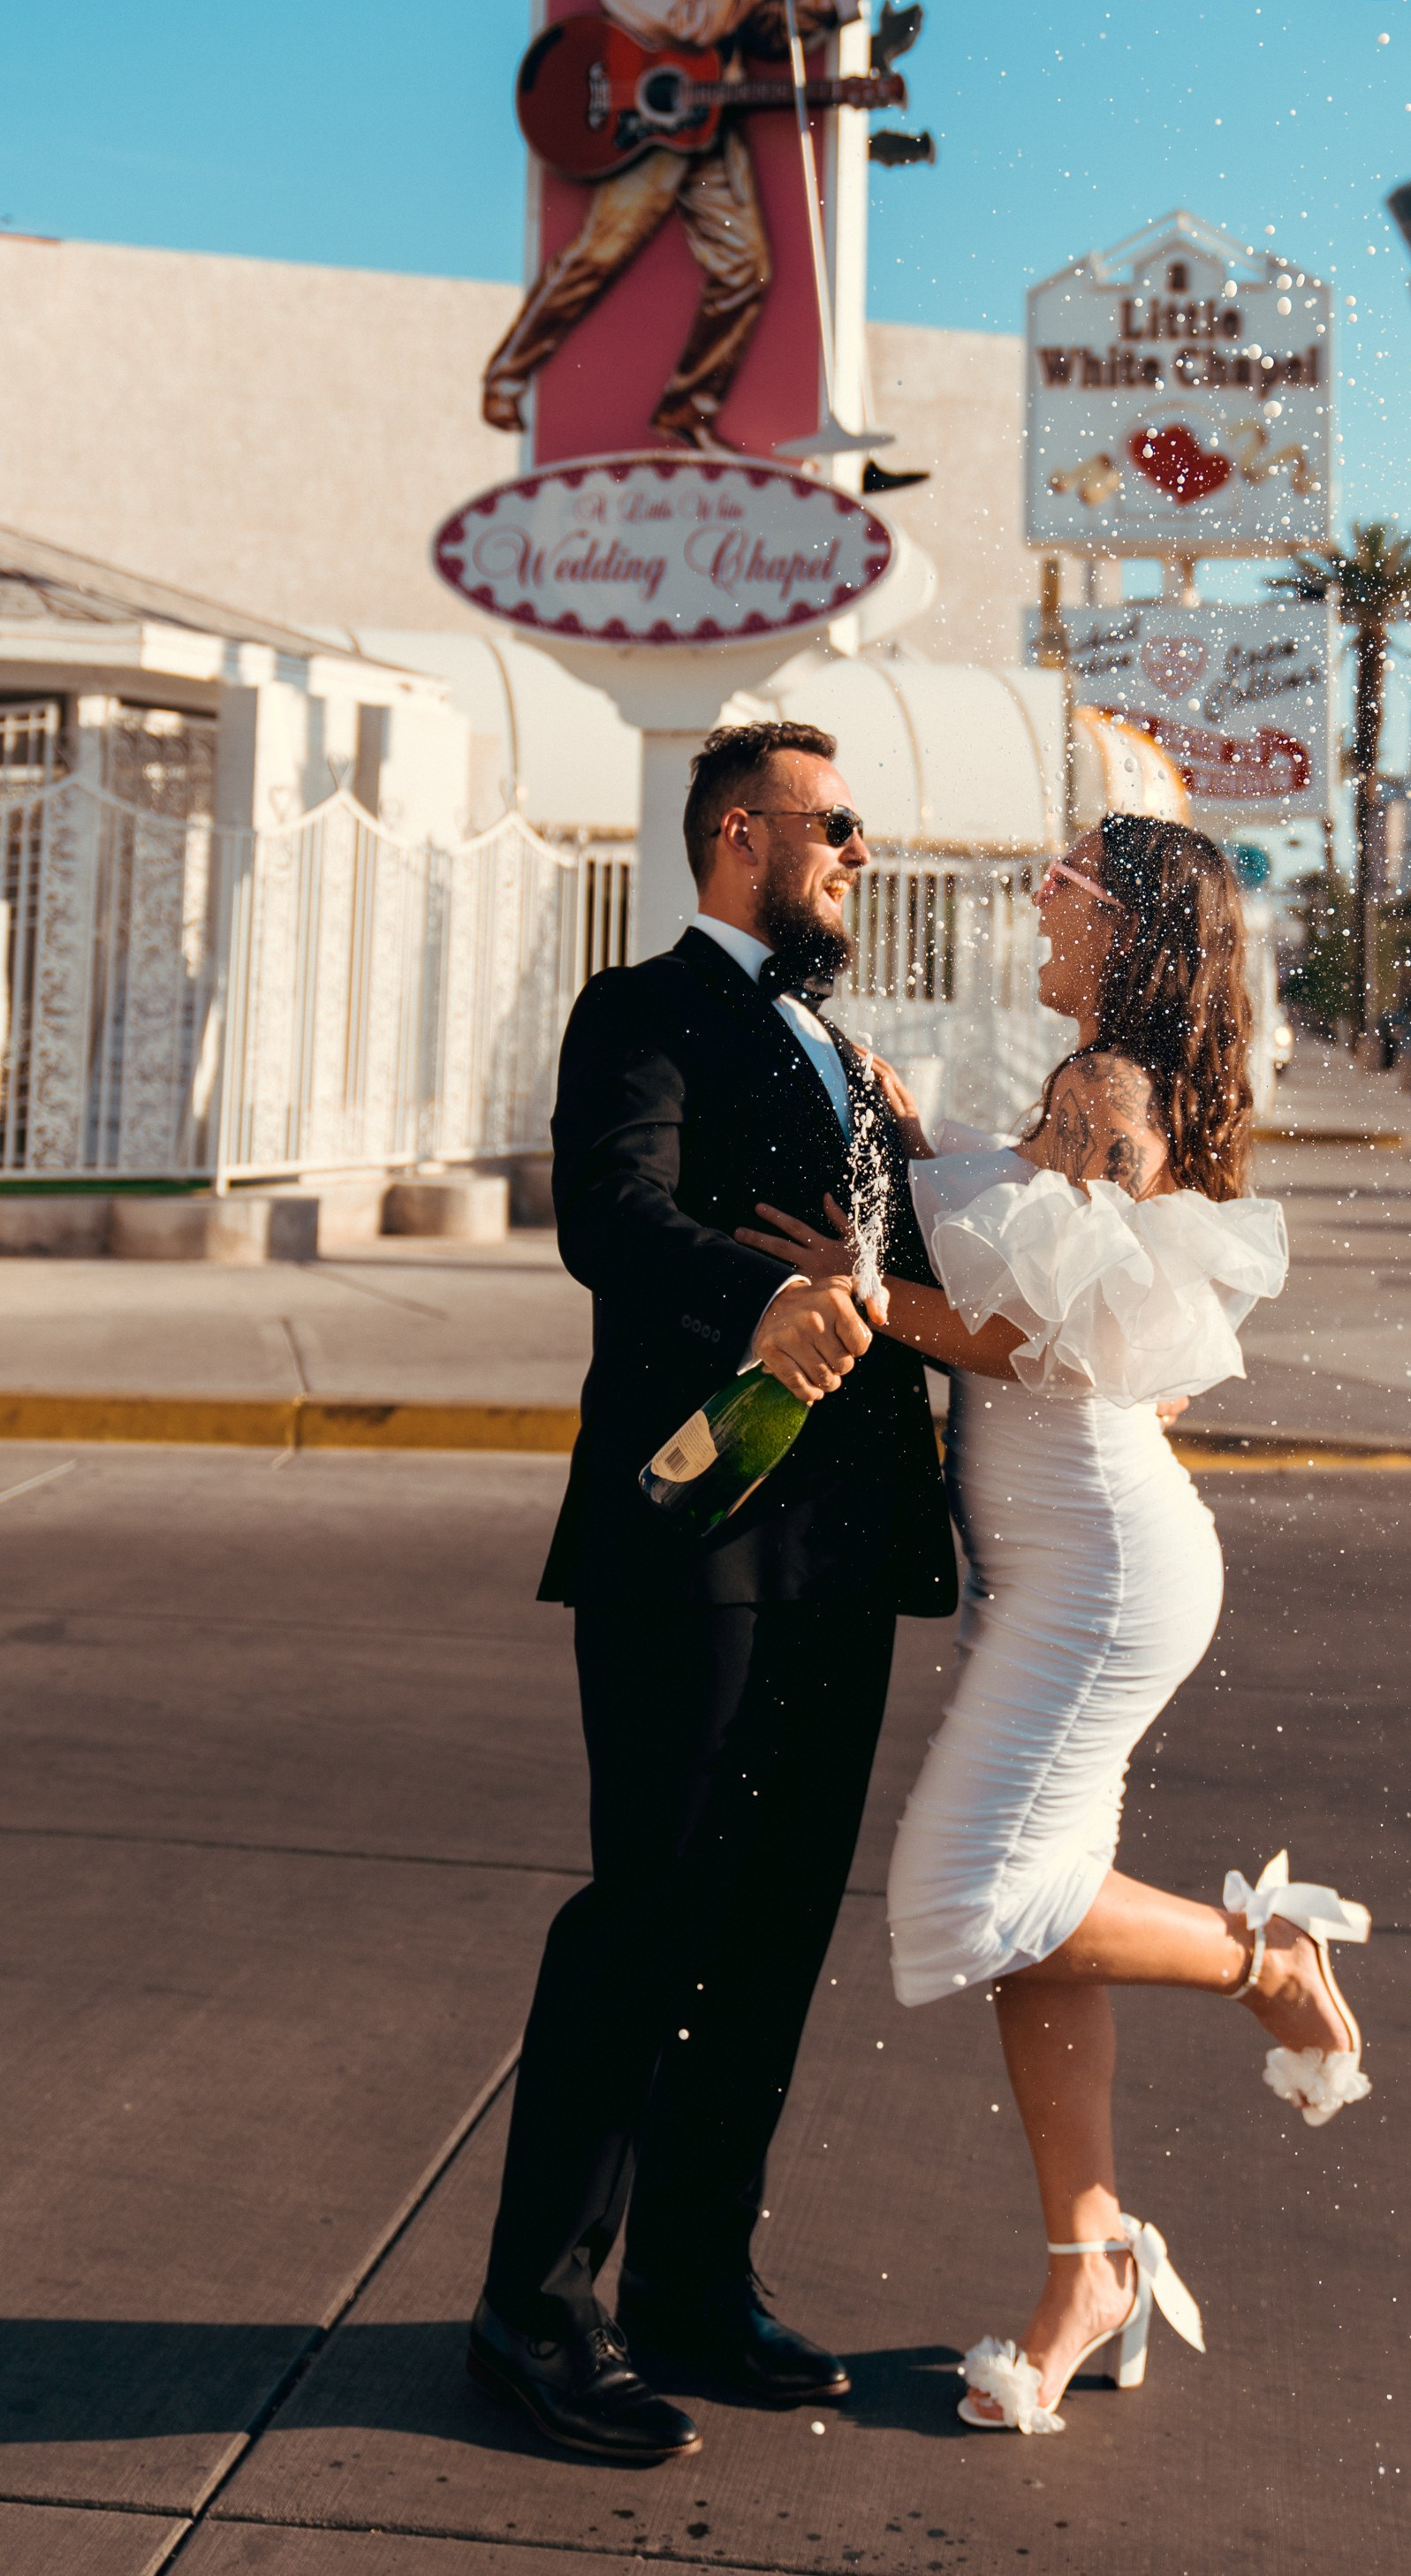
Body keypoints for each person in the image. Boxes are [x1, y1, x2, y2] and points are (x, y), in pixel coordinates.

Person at [740, 814, 1370, 2439]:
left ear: (1125, 923)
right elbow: (1081, 1287)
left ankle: (1265, 1960)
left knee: (970, 1895)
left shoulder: (1106, 1087)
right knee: (1035, 1930)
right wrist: (911, 1130)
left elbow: (1036, 1341)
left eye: (1066, 880)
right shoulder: (1103, 1083)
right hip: (1063, 1565)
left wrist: (861, 1293)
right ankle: (1091, 2267)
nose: (1038, 894)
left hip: (1097, 1571)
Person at [468, 719, 956, 2465]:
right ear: (742, 832)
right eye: (838, 825)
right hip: (697, 1544)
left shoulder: (840, 1050)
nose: (858, 855)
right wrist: (751, 1305)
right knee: (653, 1917)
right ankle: (536, 2314)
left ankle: (691, 2281)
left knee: (773, 1926)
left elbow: (898, 1274)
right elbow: (608, 1215)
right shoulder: (643, 1009)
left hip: (843, 1553)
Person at [482, 0, 894, 443]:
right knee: (594, 258)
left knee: (745, 271)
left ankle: (686, 409)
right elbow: (691, 26)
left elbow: (762, 33)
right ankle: (507, 377)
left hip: (710, 135)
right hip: (642, 136)